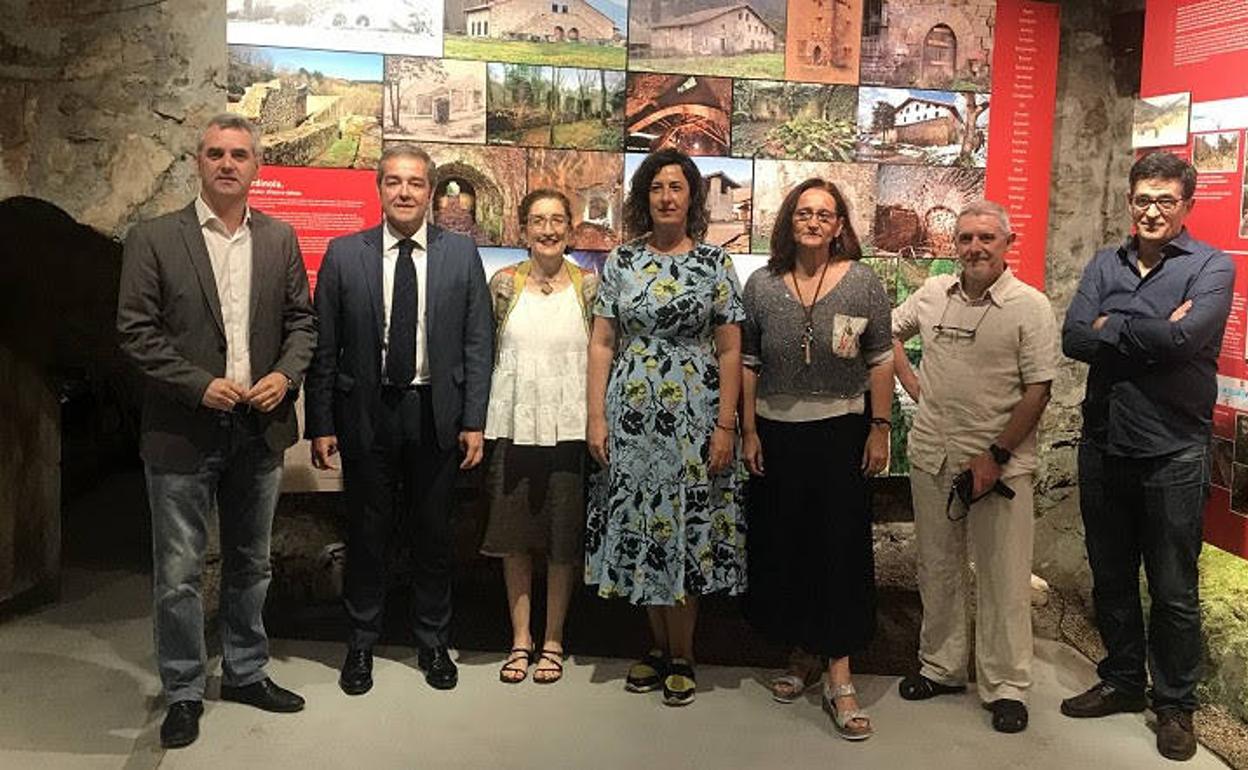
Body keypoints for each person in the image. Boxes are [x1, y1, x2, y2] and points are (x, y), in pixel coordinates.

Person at [116, 113, 316, 749]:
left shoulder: (280, 238)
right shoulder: (152, 238)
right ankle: (182, 689)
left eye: (239, 154)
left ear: (257, 166)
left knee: (251, 562)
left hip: (259, 429)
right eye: (215, 153)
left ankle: (246, 671)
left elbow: (302, 323)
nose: (227, 163)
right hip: (182, 430)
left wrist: (284, 376)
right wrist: (198, 384)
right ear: (197, 162)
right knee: (178, 571)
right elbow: (136, 332)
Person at [1060, 151, 1234, 762]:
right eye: (1142, 199)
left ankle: (1175, 705)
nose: (1152, 211)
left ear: (1187, 205)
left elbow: (1187, 338)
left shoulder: (1212, 266)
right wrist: (1153, 326)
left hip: (1173, 451)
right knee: (1111, 576)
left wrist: (1112, 323)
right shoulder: (1104, 262)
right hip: (1104, 443)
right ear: (1129, 201)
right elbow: (1073, 336)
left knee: (1173, 588)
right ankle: (1123, 680)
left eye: (1164, 200)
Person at [304, 143, 493, 696]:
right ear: (379, 189)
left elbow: (477, 342)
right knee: (367, 533)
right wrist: (321, 422)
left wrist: (474, 419)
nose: (404, 192)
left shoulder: (461, 254)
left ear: (430, 191)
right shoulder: (345, 254)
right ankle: (361, 642)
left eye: (415, 182)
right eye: (394, 181)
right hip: (367, 412)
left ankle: (433, 641)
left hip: (436, 411)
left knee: (433, 534)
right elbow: (324, 347)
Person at [585, 148, 746, 706]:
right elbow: (603, 342)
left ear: (691, 197)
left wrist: (725, 425)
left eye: (676, 187)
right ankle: (656, 646)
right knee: (642, 524)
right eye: (656, 187)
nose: (666, 197)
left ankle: (683, 654)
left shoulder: (714, 264)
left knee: (682, 525)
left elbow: (730, 350)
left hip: (693, 415)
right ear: (644, 198)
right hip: (632, 416)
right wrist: (596, 416)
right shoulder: (622, 261)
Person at [891, 200, 1057, 734]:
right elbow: (886, 334)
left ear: (1008, 243)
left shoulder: (1029, 306)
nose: (975, 248)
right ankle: (940, 667)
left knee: (1004, 577)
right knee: (937, 567)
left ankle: (1006, 685)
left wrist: (997, 454)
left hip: (1000, 467)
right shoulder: (932, 294)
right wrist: (914, 385)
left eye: (986, 237)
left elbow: (1039, 389)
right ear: (954, 244)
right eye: (965, 238)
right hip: (933, 454)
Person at [740, 178, 892, 740]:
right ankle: (802, 653)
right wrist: (748, 429)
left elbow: (880, 359)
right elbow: (748, 363)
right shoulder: (761, 285)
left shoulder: (863, 283)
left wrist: (879, 428)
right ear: (789, 221)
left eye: (824, 214)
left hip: (841, 432)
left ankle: (839, 673)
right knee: (788, 546)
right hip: (776, 433)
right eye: (804, 213)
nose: (813, 222)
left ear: (839, 226)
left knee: (840, 549)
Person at [481, 189, 598, 685]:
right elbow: (485, 351)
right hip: (514, 424)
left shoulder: (590, 287)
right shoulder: (503, 284)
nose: (547, 230)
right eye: (537, 221)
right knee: (514, 538)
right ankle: (520, 639)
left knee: (561, 539)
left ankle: (553, 640)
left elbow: (603, 354)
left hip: (569, 429)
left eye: (556, 221)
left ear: (570, 229)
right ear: (523, 229)